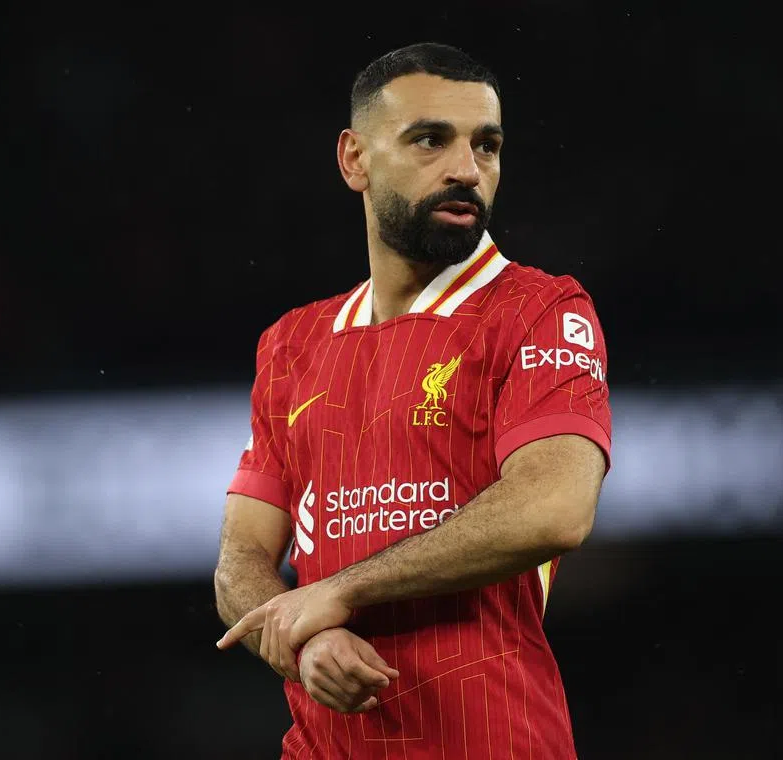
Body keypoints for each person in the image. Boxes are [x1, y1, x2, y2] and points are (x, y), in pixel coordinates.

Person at [214, 42, 612, 759]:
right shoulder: (292, 344)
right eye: (431, 140)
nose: (467, 170)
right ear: (354, 159)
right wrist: (304, 642)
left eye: (486, 145)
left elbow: (555, 508)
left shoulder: (540, 310)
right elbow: (240, 556)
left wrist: (342, 591)